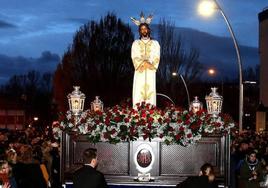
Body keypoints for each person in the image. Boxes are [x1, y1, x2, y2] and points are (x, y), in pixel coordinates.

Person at [131, 12, 160, 109]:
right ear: (139, 31)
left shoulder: (155, 43)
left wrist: (151, 64)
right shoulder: (136, 43)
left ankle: (150, 110)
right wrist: (142, 62)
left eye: (145, 28)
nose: (144, 30)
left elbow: (157, 55)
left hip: (150, 70)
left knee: (151, 89)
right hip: (140, 70)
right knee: (138, 88)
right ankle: (137, 109)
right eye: (142, 29)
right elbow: (134, 55)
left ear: (148, 30)